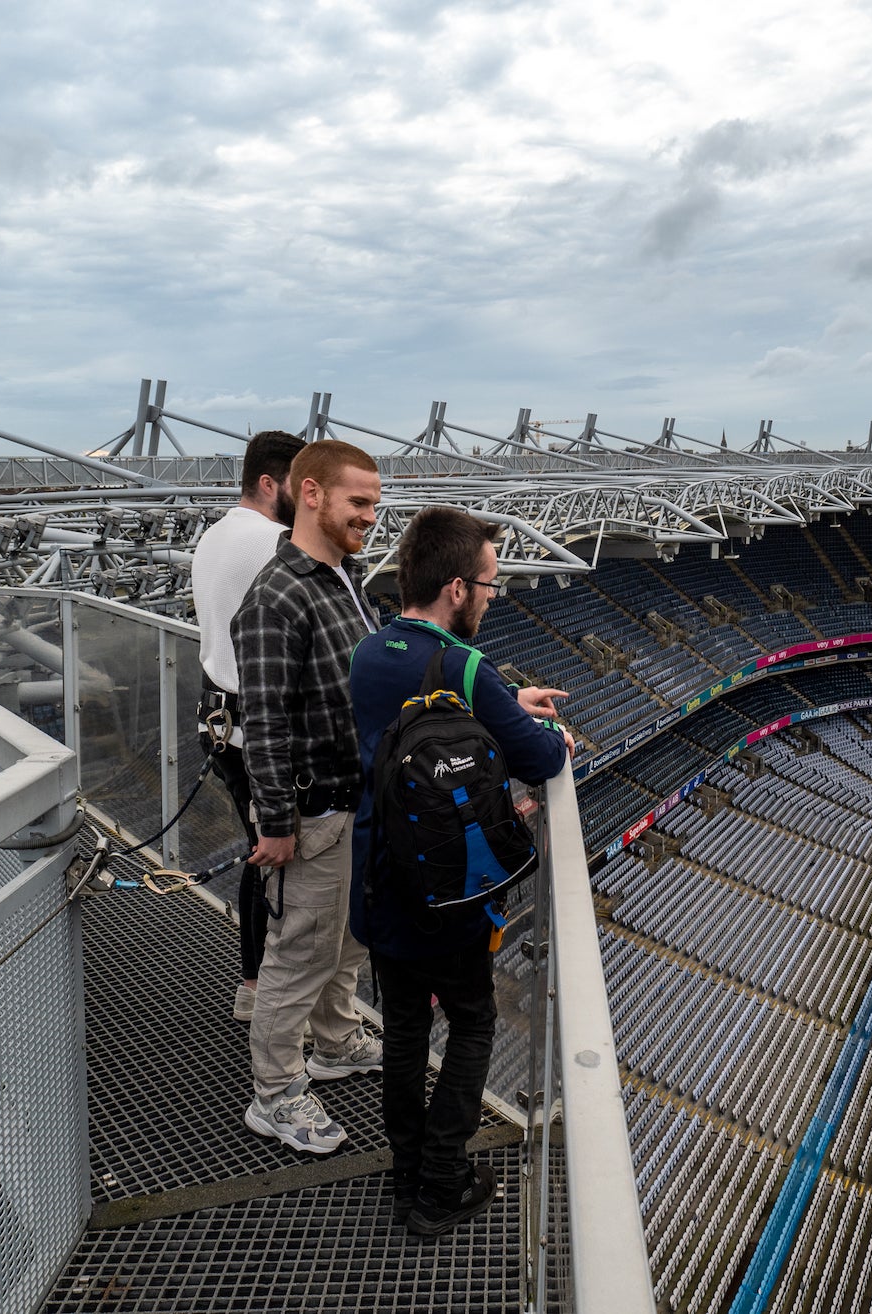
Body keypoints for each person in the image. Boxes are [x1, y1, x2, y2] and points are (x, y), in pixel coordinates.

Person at [348, 507, 572, 1236]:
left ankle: (408, 1169)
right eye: (488, 584)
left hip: (381, 880)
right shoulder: (468, 665)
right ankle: (443, 1180)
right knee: (472, 1024)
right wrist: (539, 723)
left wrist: (507, 704)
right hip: (447, 893)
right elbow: (541, 759)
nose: (491, 595)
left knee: (405, 1030)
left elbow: (419, 733)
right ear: (454, 587)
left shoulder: (370, 652)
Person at [233, 438, 386, 1154]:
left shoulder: (344, 577)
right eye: (360, 502)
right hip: (315, 812)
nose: (370, 517)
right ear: (313, 494)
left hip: (354, 802)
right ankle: (276, 1094)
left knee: (346, 941)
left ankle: (334, 1043)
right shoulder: (279, 593)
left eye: (375, 505)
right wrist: (276, 823)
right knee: (297, 958)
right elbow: (262, 718)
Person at [193, 429, 305, 1022]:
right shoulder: (278, 542)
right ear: (270, 483)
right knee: (281, 862)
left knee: (262, 853)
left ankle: (255, 985)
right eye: (300, 484)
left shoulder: (213, 537)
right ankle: (269, 1001)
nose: (309, 498)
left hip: (223, 726)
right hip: (263, 731)